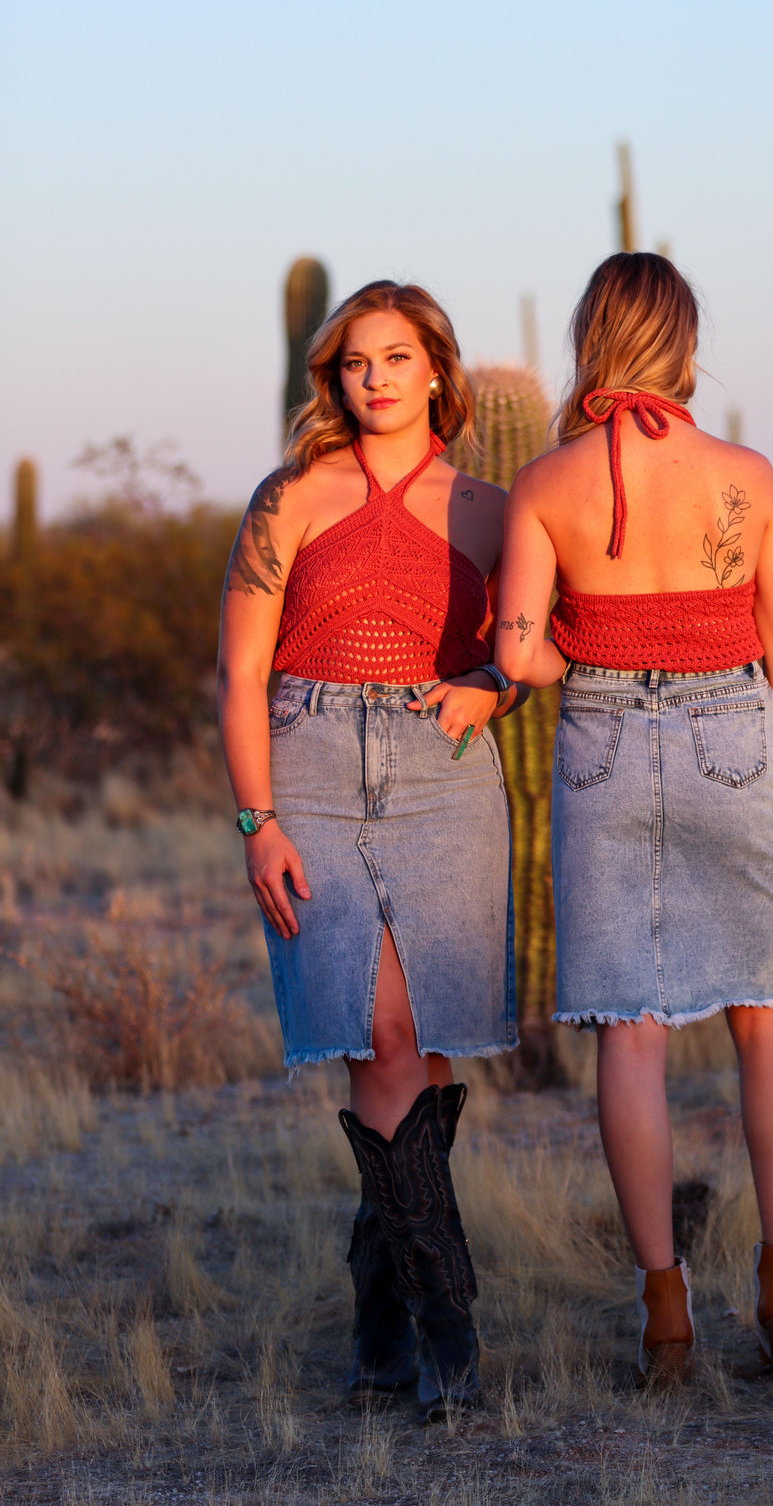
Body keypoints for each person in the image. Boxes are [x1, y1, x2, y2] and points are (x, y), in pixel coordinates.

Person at [495, 252, 773, 1384]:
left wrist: (597, 644)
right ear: (684, 341)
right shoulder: (748, 475)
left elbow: (516, 653)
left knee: (630, 1034)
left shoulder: (545, 483)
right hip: (737, 732)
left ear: (590, 337)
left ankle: (666, 1313)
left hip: (604, 748)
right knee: (762, 1016)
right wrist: (754, 773)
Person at [217, 279, 522, 1420]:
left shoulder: (491, 509)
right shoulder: (289, 496)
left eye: (397, 357)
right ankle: (454, 1331)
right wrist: (257, 822)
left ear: (438, 369)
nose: (377, 377)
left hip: (442, 776)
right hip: (308, 763)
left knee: (428, 1052)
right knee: (379, 1034)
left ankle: (380, 1329)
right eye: (355, 361)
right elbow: (241, 670)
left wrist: (491, 687)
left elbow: (536, 646)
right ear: (333, 377)